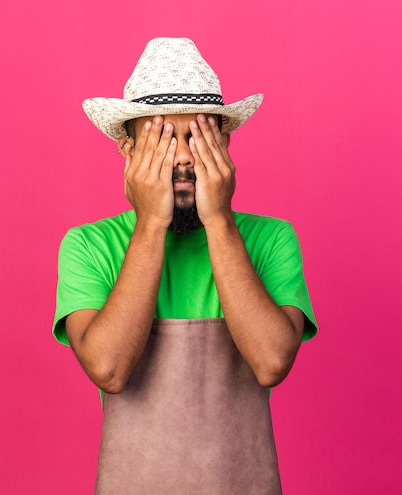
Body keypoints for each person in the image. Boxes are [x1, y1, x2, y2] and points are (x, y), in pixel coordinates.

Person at [53, 37, 317, 495]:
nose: (180, 158)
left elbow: (273, 361)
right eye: (160, 140)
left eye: (197, 138)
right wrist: (152, 221)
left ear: (225, 143)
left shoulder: (271, 239)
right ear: (127, 151)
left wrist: (218, 220)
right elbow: (110, 370)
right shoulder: (88, 245)